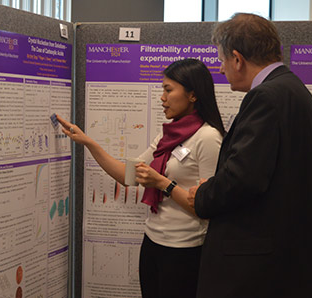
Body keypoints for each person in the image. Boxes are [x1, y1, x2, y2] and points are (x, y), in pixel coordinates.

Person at [188, 13, 312, 297]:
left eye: (221, 60)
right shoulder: (295, 91)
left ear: (237, 59)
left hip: (257, 269)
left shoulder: (265, 98)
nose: (220, 69)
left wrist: (203, 196)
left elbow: (244, 178)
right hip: (288, 260)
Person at [57, 58, 225, 298]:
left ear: (193, 95)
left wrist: (162, 183)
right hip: (153, 242)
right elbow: (129, 175)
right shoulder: (168, 135)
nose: (162, 98)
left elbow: (207, 207)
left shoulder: (208, 138)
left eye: (168, 90)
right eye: (162, 90)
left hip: (186, 250)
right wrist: (88, 143)